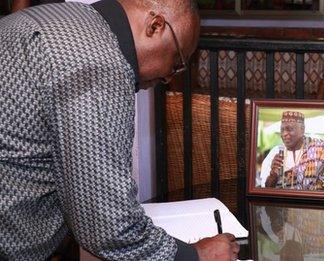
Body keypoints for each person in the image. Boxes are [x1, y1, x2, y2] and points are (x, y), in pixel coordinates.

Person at [0, 0, 239, 260]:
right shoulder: (100, 63)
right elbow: (108, 224)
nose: (168, 78)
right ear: (155, 25)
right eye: (176, 61)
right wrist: (196, 255)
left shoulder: (66, 18)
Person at [259, 111, 324, 191]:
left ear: (302, 130)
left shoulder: (322, 150)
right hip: (282, 207)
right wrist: (273, 174)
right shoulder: (276, 152)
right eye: (282, 130)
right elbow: (266, 189)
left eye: (289, 129)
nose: (284, 134)